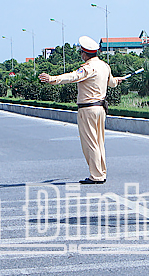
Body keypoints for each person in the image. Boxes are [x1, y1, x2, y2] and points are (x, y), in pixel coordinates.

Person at [40, 36, 117, 184]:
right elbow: (112, 83)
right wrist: (117, 80)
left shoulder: (88, 67)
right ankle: (101, 172)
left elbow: (73, 76)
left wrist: (52, 79)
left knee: (90, 143)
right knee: (99, 142)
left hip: (88, 109)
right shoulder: (104, 66)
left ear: (84, 53)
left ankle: (96, 175)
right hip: (100, 108)